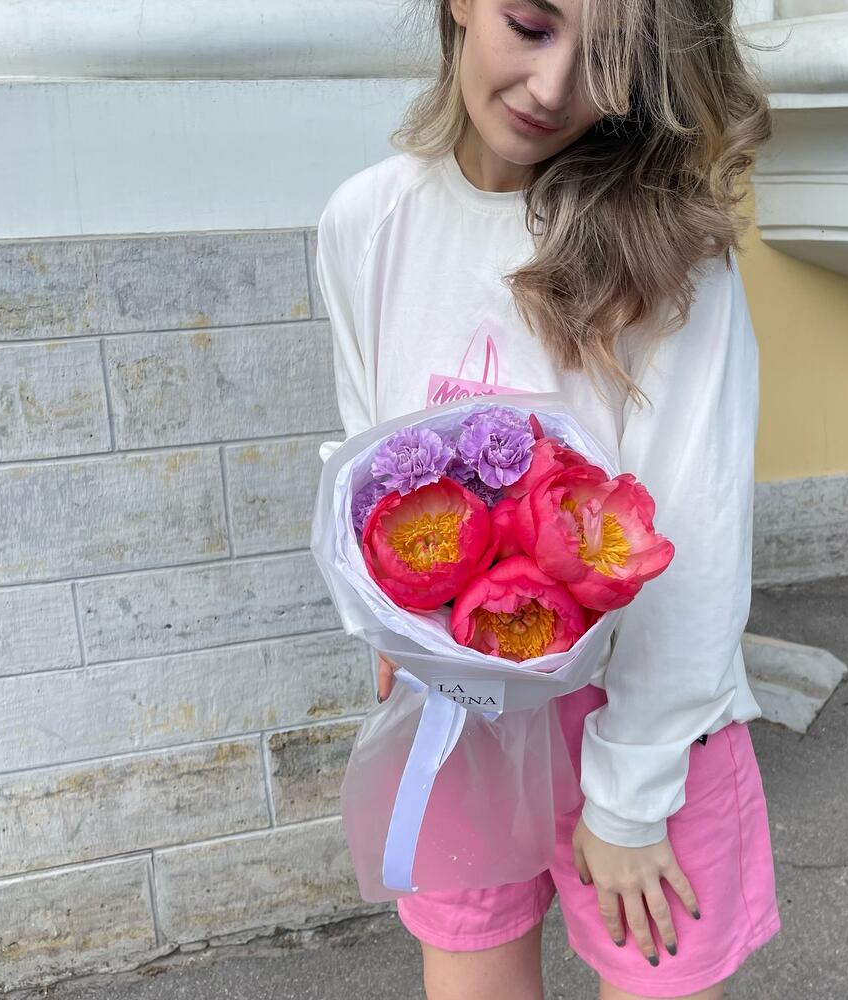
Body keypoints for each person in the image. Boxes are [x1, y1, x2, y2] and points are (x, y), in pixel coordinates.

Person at [314, 0, 781, 996]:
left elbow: (695, 541)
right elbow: (363, 457)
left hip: (643, 713)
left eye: (608, 56)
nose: (555, 88)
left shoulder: (671, 255)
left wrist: (632, 799)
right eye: (530, 25)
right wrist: (392, 629)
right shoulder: (367, 221)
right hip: (457, 713)